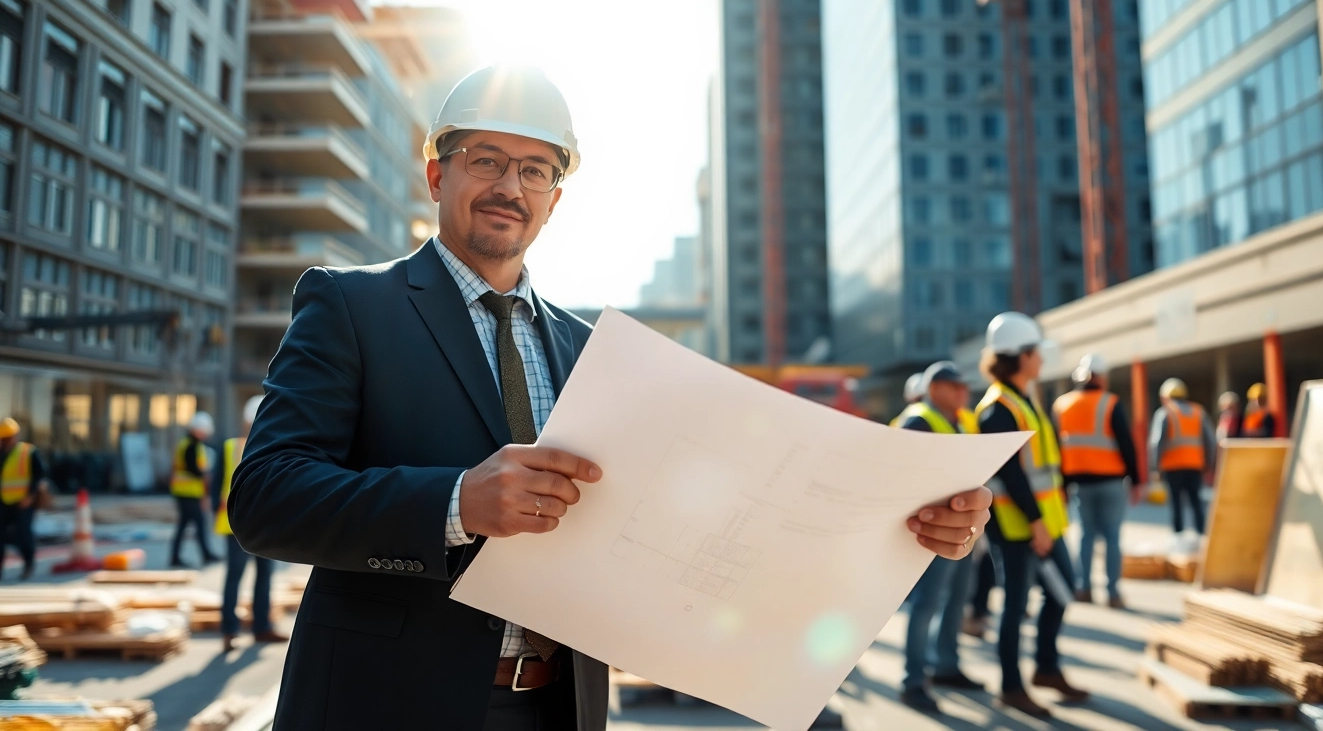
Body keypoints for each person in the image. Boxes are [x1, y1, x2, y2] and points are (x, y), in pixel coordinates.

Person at [227, 66, 994, 731]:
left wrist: (900, 529)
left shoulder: (594, 350)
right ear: (436, 175)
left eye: (535, 170)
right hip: (386, 706)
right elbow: (265, 497)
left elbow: (711, 520)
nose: (509, 186)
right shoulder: (351, 307)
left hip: (558, 707)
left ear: (555, 199)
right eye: (485, 159)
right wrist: (456, 502)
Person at [977, 312, 1088, 718]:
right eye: (1036, 352)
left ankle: (1045, 667)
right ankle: (1011, 686)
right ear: (1022, 356)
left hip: (1046, 523)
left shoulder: (1025, 399)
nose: (1041, 359)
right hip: (1018, 527)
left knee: (1063, 592)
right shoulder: (997, 409)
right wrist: (1036, 523)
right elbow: (1011, 474)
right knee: (1015, 606)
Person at [894, 361, 985, 715]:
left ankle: (946, 665)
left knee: (956, 598)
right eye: (956, 386)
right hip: (930, 533)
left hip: (960, 530)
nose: (964, 392)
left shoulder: (958, 422)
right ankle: (912, 681)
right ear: (936, 389)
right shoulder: (918, 420)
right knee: (926, 604)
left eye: (965, 386)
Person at [1053, 354, 1139, 609]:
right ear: (1100, 377)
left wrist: (1063, 484)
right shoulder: (1110, 402)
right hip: (1111, 481)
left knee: (1086, 537)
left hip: (1079, 483)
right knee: (1112, 537)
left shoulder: (1061, 405)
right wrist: (1136, 480)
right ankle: (1112, 594)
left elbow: (1057, 450)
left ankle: (1084, 589)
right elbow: (1126, 444)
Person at [215, 396, 288, 652]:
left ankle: (259, 627)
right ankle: (231, 630)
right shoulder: (235, 447)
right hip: (237, 524)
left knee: (262, 576)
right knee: (238, 576)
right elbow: (217, 487)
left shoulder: (273, 446)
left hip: (261, 523)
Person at [1149, 379, 1216, 536]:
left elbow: (1157, 442)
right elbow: (1211, 441)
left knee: (1176, 503)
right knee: (1196, 502)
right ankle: (1202, 535)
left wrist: (1155, 467)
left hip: (1173, 467)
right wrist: (1208, 464)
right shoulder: (1198, 411)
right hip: (1194, 466)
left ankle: (1178, 537)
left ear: (1165, 396)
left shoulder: (1165, 413)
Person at [170, 411, 220, 568]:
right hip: (188, 493)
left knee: (184, 525)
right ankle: (205, 554)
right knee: (198, 524)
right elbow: (194, 469)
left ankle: (176, 557)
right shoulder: (191, 446)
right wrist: (205, 473)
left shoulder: (190, 444)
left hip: (187, 492)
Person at [0, 418, 46, 581]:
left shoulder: (28, 452)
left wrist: (30, 496)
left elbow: (39, 475)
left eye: (7, 438)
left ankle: (28, 564)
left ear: (15, 436)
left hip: (23, 502)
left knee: (23, 535)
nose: (4, 442)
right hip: (3, 502)